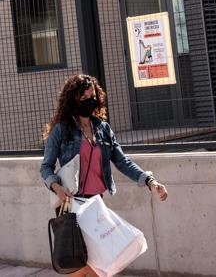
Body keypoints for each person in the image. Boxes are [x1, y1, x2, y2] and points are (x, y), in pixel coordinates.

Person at [40, 74, 168, 275]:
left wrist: (149, 180)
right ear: (74, 100)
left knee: (101, 263)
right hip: (72, 204)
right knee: (79, 264)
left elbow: (122, 161)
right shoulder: (62, 130)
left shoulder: (103, 129)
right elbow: (46, 167)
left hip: (95, 204)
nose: (90, 100)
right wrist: (56, 187)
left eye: (92, 96)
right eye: (84, 97)